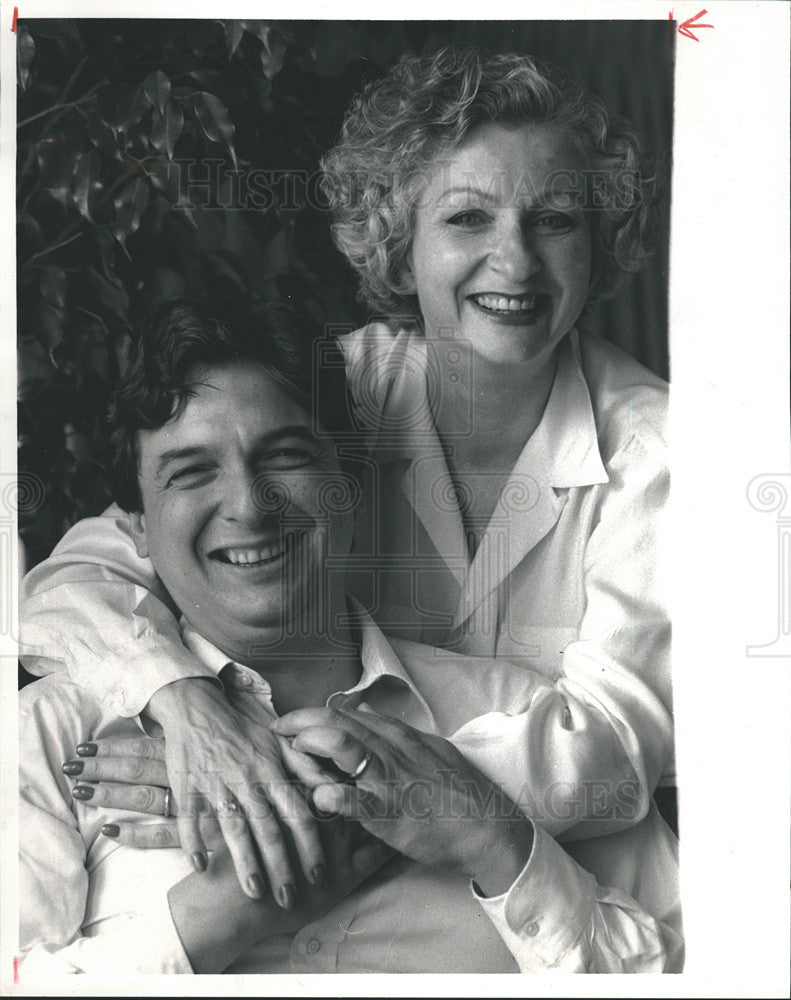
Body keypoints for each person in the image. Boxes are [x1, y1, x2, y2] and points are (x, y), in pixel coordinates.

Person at [21, 47, 674, 912]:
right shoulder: (322, 394)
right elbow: (74, 580)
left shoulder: (661, 449)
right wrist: (178, 700)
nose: (514, 263)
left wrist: (281, 788)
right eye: (467, 219)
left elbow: (612, 750)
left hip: (536, 890)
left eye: (554, 219)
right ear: (399, 250)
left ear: (598, 246)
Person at [20, 299, 682, 974]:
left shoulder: (521, 716)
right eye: (191, 472)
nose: (249, 506)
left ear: (353, 484)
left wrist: (494, 840)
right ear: (132, 524)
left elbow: (678, 974)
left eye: (284, 456)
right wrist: (216, 918)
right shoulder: (48, 735)